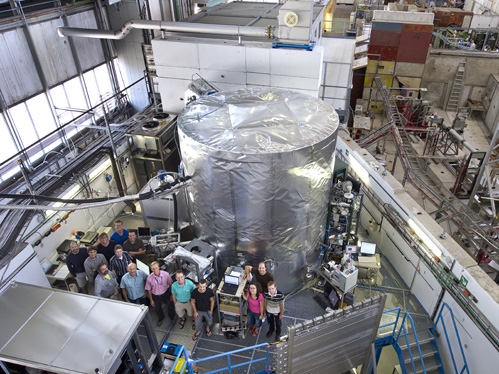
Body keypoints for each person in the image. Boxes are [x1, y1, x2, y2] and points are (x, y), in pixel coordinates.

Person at [145, 262, 176, 326]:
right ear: (151, 270)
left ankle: (172, 317)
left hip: (166, 293)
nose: (155, 269)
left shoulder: (166, 274)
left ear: (159, 267)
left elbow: (170, 284)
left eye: (156, 268)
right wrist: (151, 300)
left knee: (170, 305)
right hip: (156, 295)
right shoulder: (149, 278)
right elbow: (149, 289)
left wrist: (172, 295)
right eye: (153, 269)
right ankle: (161, 318)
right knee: (157, 308)